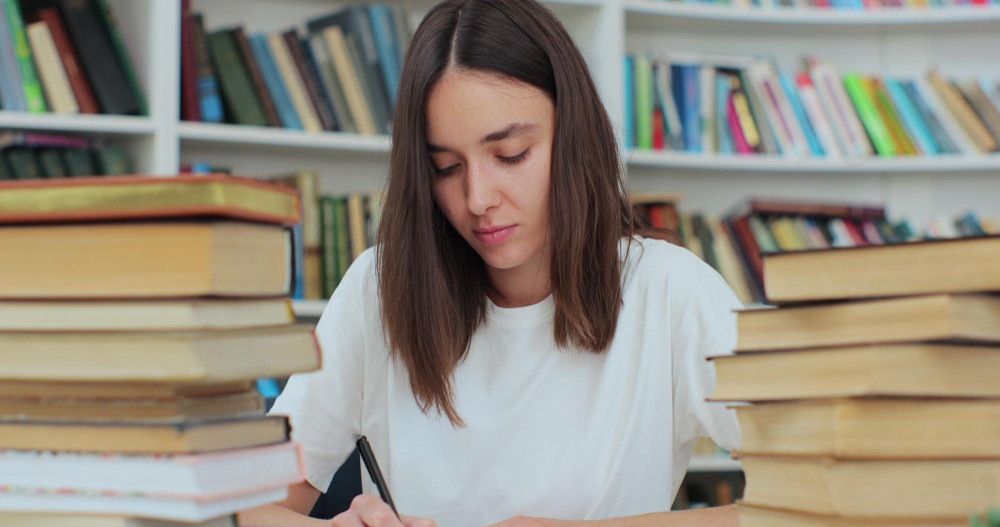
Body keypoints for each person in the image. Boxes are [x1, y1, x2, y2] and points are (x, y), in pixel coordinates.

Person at [242, 0, 742, 525]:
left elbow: (821, 499)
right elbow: (250, 508)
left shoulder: (670, 292)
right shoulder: (379, 288)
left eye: (511, 155)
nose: (477, 198)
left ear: (572, 136)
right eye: (446, 167)